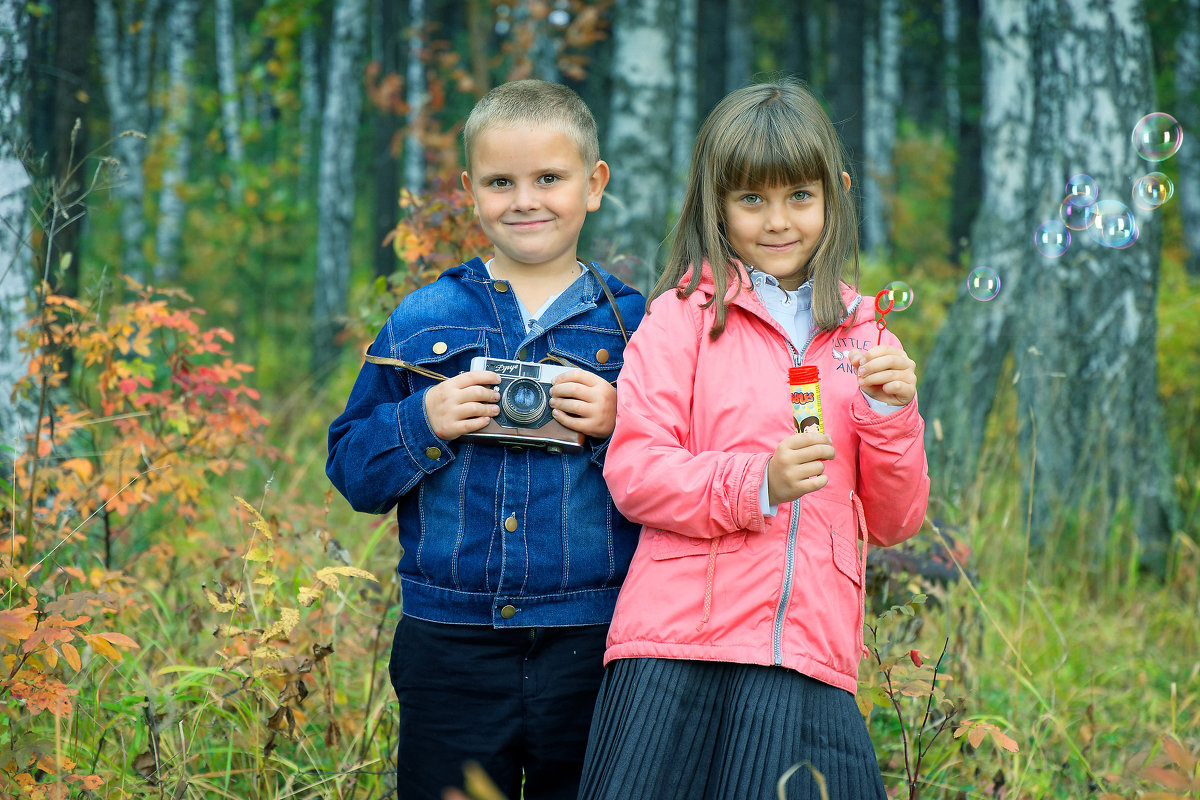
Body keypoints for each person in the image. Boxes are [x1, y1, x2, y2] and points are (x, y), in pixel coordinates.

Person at [577, 79, 930, 800]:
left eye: (799, 196)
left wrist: (891, 413)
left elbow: (895, 520)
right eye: (751, 199)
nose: (778, 221)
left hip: (809, 652)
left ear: (836, 193)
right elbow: (636, 469)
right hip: (679, 647)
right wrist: (757, 484)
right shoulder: (681, 319)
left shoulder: (866, 335)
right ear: (716, 203)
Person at [326, 79, 645, 800]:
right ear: (471, 191)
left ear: (593, 185)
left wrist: (619, 421)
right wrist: (424, 420)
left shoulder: (634, 325)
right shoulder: (425, 315)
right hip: (450, 637)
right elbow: (351, 469)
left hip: (592, 636)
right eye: (501, 182)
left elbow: (675, 475)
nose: (525, 200)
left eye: (549, 179)